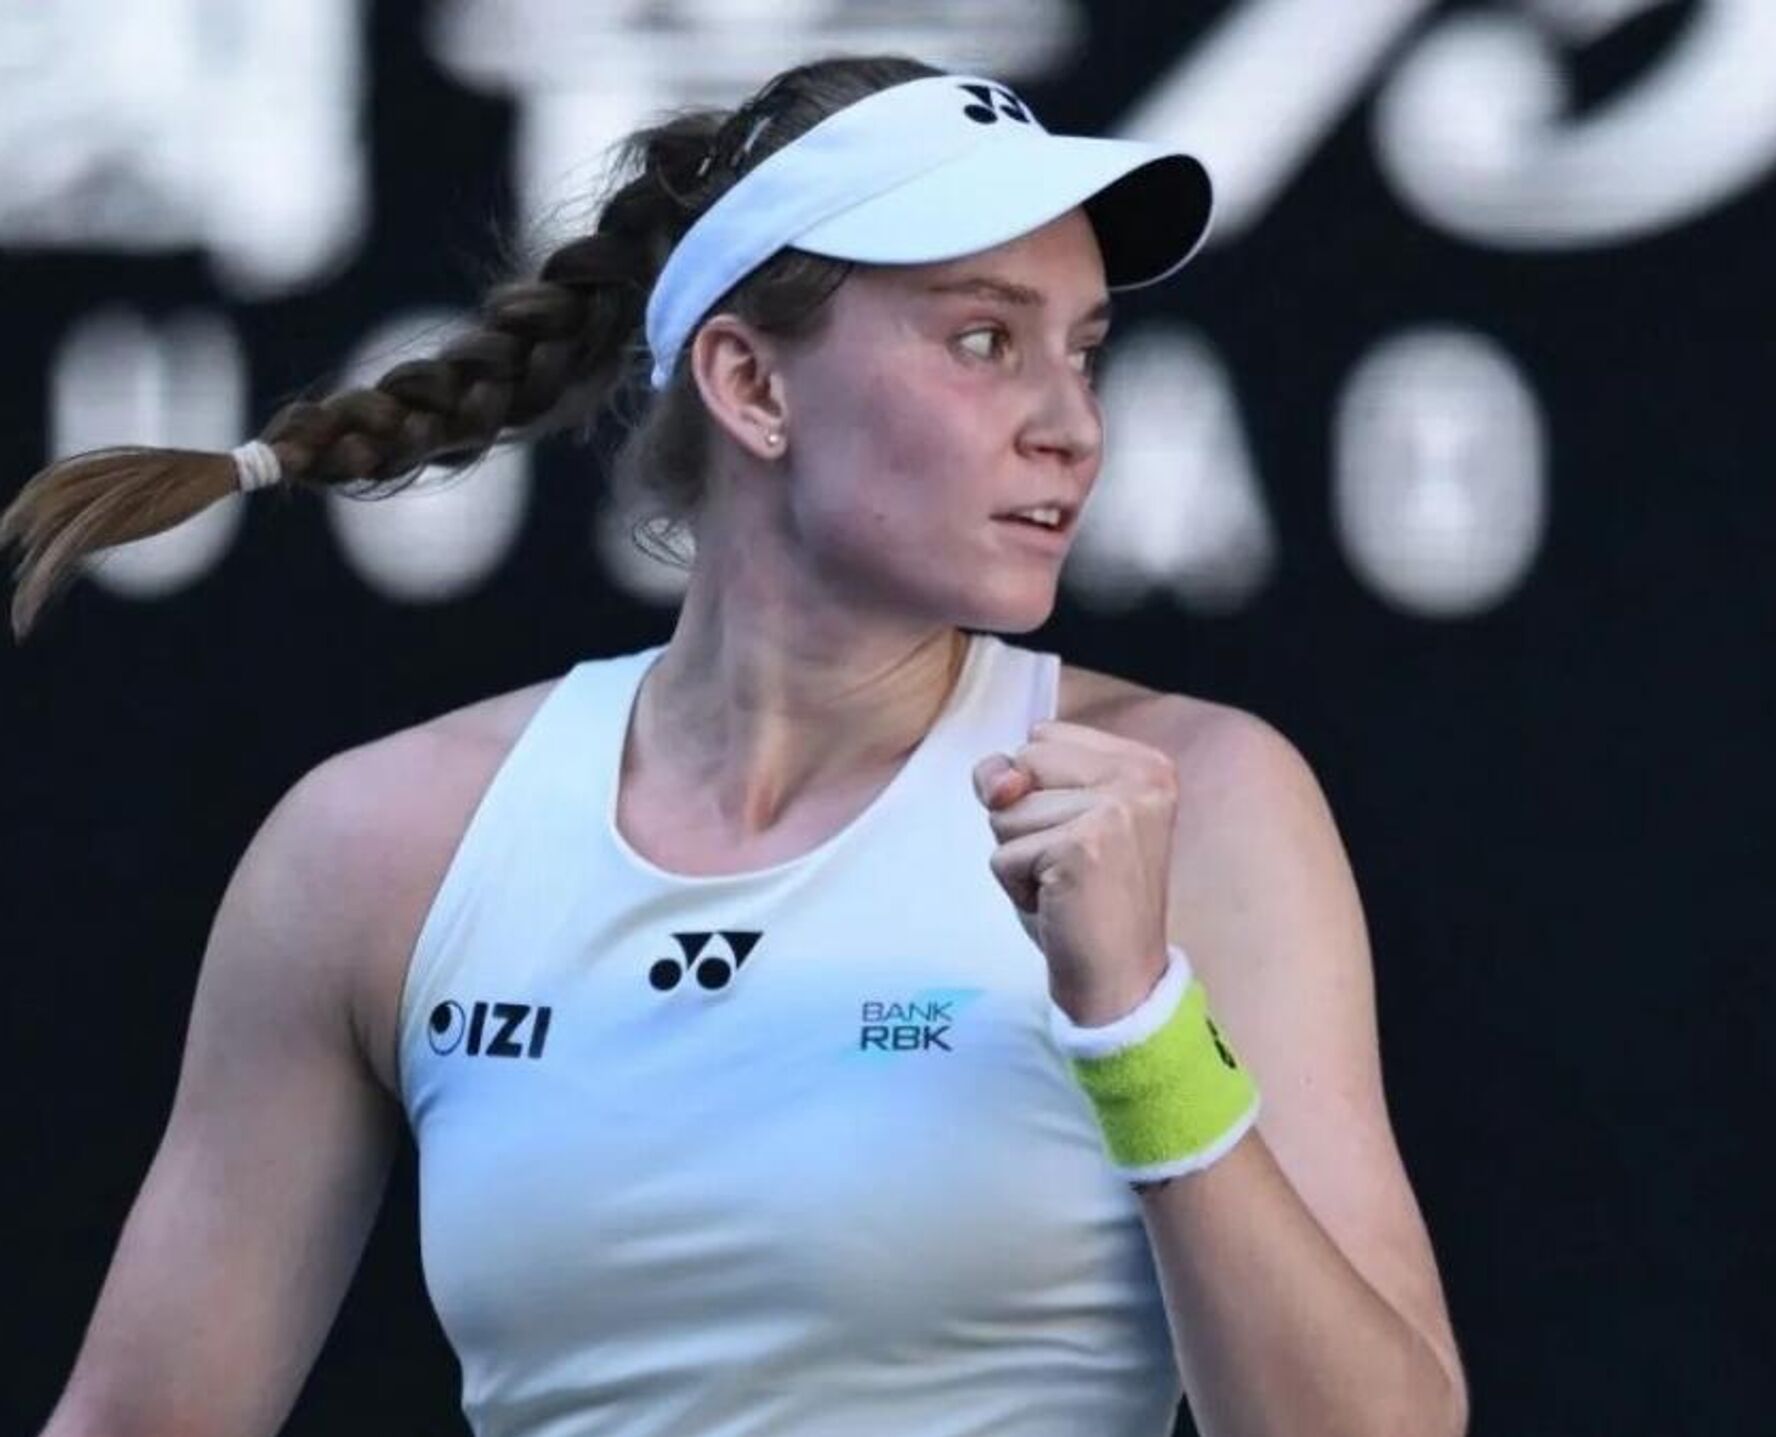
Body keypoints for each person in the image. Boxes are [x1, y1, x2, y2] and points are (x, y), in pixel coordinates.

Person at [5, 55, 1467, 1437]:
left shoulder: (1199, 801)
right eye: (984, 339)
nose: (1073, 425)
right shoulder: (379, 846)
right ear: (752, 385)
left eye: (1081, 351)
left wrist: (1139, 1024)